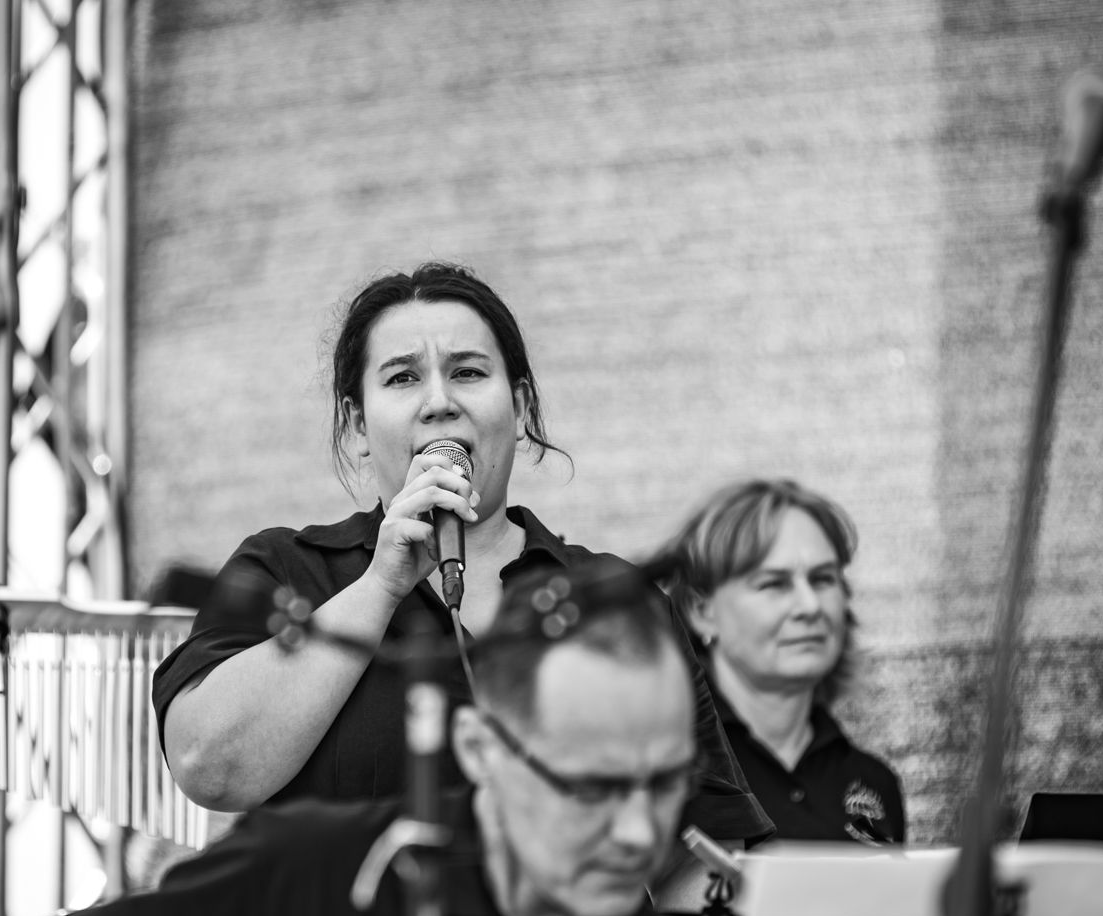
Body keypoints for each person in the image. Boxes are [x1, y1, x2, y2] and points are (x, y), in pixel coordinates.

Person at [0, 561, 729, 916]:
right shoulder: (305, 872)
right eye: (593, 788)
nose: (640, 831)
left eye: (667, 782)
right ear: (480, 750)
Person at [152, 261, 771, 846]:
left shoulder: (619, 602)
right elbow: (208, 766)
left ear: (520, 408)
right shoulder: (286, 570)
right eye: (402, 378)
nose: (440, 401)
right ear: (358, 426)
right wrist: (379, 586)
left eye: (469, 373)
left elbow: (703, 845)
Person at [651, 478, 906, 845]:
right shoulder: (666, 771)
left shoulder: (874, 781)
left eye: (822, 579)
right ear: (701, 611)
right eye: (773, 584)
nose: (809, 606)